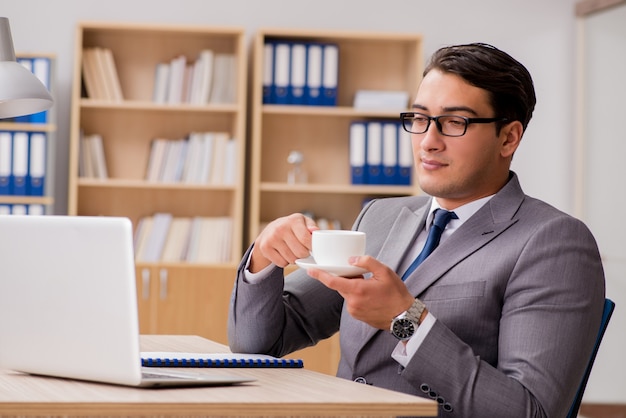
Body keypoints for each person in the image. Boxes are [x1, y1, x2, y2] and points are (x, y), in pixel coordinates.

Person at [228, 43, 605, 417]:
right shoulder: (380, 217)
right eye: (419, 118)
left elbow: (530, 411)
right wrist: (264, 257)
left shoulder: (554, 243)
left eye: (455, 122)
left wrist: (406, 321)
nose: (428, 141)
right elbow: (258, 342)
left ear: (508, 138)